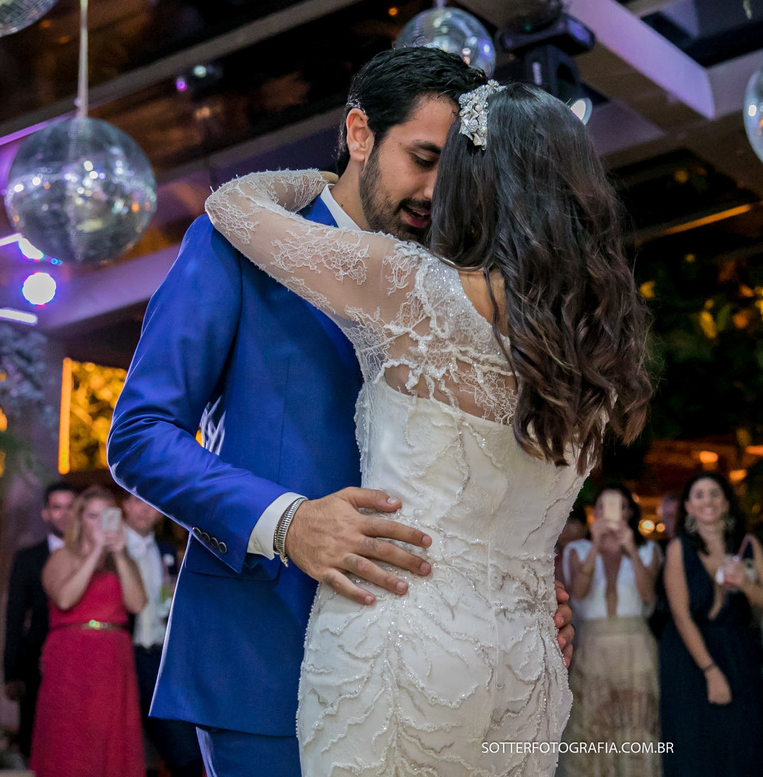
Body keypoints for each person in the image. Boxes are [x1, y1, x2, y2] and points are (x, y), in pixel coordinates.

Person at [107, 49, 578, 776]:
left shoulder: (462, 284)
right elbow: (140, 436)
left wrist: (520, 596)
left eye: (455, 170)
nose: (435, 189)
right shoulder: (238, 245)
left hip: (438, 677)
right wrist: (287, 521)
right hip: (264, 650)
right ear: (359, 132)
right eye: (422, 157)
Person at [200, 77, 651, 774]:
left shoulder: (410, 286)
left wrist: (322, 176)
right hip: (527, 658)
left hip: (404, 636)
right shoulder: (593, 347)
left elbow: (231, 204)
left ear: (475, 181)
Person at [657, 471, 763, 776]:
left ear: (726, 502)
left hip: (738, 651)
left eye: (715, 493)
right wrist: (710, 671)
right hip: (691, 657)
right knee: (696, 747)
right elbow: (681, 615)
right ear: (688, 505)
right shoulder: (678, 548)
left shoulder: (747, 545)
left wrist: (747, 585)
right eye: (699, 495)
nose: (708, 501)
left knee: (744, 743)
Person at [31, 486, 147, 777]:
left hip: (113, 659)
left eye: (107, 516)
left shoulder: (122, 562)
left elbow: (137, 604)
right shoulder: (61, 557)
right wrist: (95, 551)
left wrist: (119, 554)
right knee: (71, 743)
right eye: (93, 515)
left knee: (111, 741)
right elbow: (66, 598)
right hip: (72, 660)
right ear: (80, 519)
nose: (100, 523)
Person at [560, 485, 662, 777]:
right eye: (602, 507)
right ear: (595, 513)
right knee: (591, 723)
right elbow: (578, 592)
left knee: (637, 723)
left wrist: (630, 548)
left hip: (636, 645)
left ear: (629, 512)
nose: (610, 514)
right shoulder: (577, 550)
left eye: (618, 507)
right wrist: (595, 545)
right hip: (593, 644)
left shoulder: (647, 549)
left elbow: (647, 595)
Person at [122, 495, 202, 777]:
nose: (145, 509)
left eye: (151, 503)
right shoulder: (111, 550)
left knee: (184, 751)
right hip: (123, 655)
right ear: (125, 506)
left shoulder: (167, 550)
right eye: (137, 501)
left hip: (159, 656)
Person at [3, 480, 76, 757]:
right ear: (46, 513)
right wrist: (11, 673)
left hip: (83, 658)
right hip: (36, 663)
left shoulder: (95, 555)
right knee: (35, 742)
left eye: (71, 507)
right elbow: (14, 617)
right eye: (57, 508)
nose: (65, 514)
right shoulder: (27, 558)